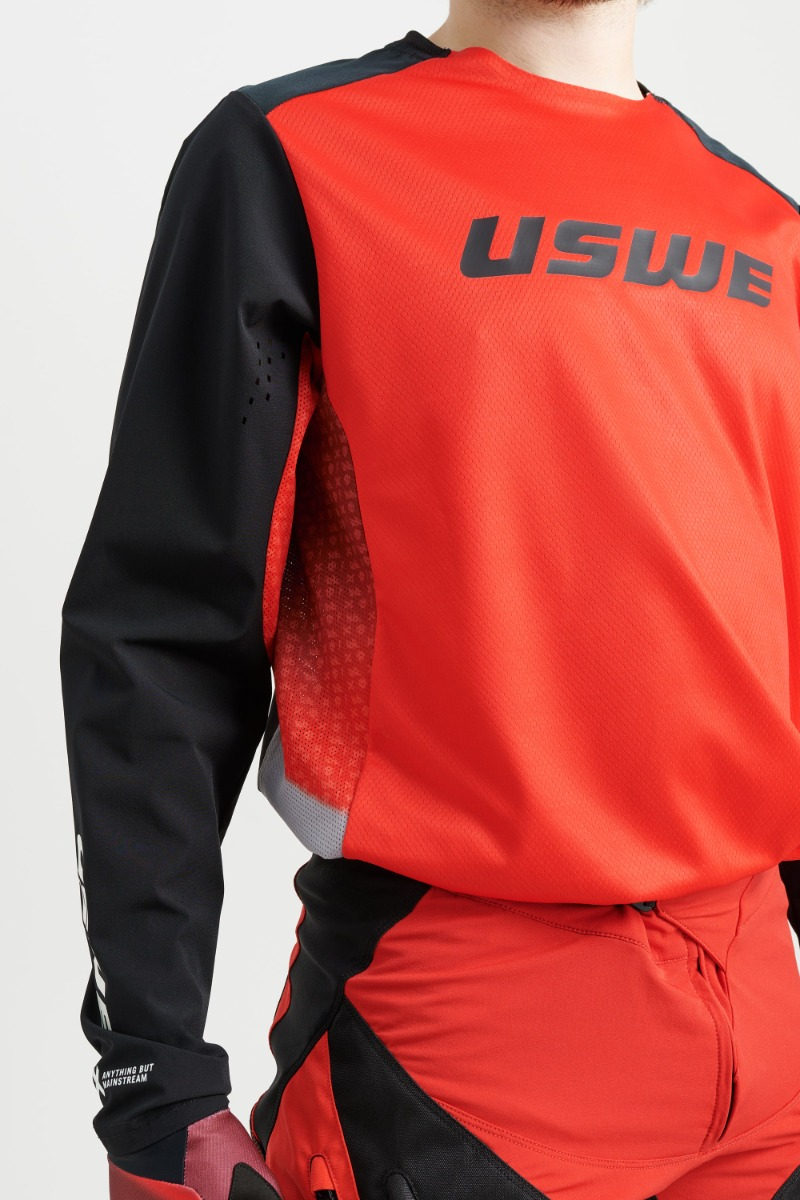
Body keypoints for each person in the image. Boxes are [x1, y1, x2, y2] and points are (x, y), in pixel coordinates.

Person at [59, 0, 800, 1197]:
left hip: (765, 1046)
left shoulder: (768, 226)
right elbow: (160, 633)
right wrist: (156, 1084)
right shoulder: (292, 157)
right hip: (454, 1050)